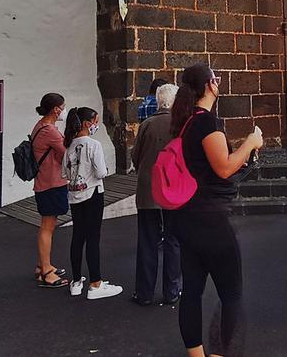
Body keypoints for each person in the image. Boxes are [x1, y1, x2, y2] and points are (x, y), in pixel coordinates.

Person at [170, 64, 263, 357]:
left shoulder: (184, 122)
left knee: (192, 292)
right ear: (210, 85)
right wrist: (250, 143)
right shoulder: (207, 122)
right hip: (210, 217)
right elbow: (223, 167)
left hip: (186, 216)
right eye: (217, 79)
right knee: (231, 293)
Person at [131, 83, 182, 306]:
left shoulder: (147, 125)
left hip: (149, 188)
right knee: (173, 240)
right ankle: (172, 290)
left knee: (148, 240)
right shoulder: (181, 125)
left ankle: (144, 293)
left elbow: (136, 156)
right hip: (172, 189)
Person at [63, 106, 122, 299]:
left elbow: (65, 172)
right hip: (93, 193)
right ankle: (95, 283)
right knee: (93, 237)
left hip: (74, 194)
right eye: (95, 121)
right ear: (88, 123)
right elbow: (101, 173)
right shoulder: (93, 145)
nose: (96, 125)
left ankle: (76, 281)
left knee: (77, 236)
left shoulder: (69, 145)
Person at [33, 93, 71, 288]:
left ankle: (43, 264)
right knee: (47, 226)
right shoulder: (50, 131)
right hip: (51, 183)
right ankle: (46, 271)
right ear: (56, 109)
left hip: (45, 181)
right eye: (62, 107)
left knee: (49, 224)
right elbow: (66, 152)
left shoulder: (41, 126)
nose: (64, 110)